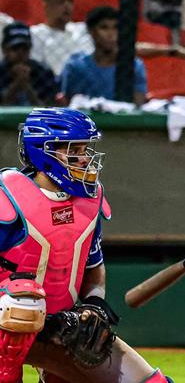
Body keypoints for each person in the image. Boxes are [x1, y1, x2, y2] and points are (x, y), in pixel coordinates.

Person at [0, 108, 174, 382]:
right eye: (74, 150)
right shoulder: (7, 197)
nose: (84, 159)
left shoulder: (90, 199)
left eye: (84, 149)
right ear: (44, 152)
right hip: (9, 324)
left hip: (60, 327)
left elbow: (94, 268)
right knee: (23, 299)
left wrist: (94, 305)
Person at [60, 7, 148, 105]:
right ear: (91, 31)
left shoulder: (134, 66)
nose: (111, 34)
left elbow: (138, 106)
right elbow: (71, 104)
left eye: (116, 28)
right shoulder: (76, 66)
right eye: (104, 27)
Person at [30, 0, 94, 75]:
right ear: (46, 4)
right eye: (60, 1)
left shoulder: (84, 30)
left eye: (70, 1)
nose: (67, 6)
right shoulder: (35, 34)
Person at [0, 22, 57, 106]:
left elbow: (47, 108)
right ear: (4, 49)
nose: (20, 53)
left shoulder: (43, 72)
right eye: (15, 48)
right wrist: (16, 85)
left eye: (25, 48)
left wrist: (26, 86)